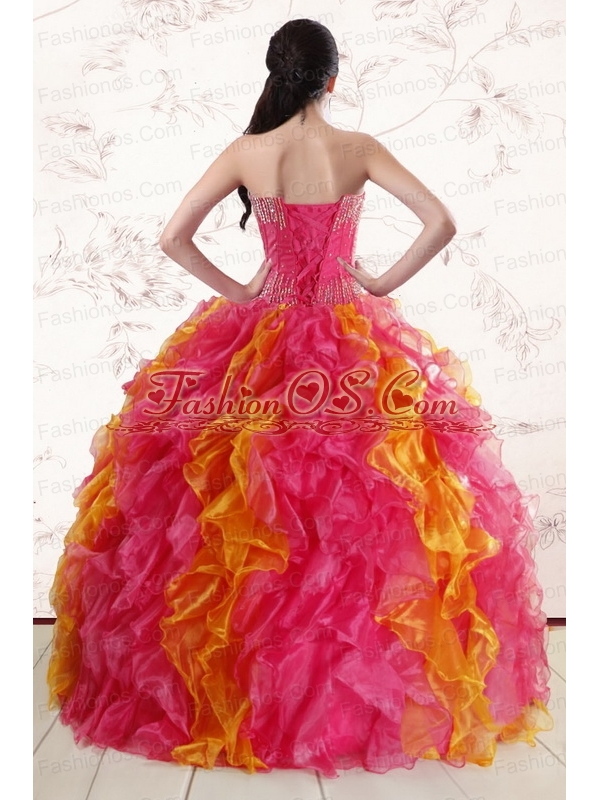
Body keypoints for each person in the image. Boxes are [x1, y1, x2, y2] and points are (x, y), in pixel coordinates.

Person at [47, 18, 553, 778]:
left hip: (261, 342)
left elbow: (174, 236)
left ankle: (246, 688)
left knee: (239, 508)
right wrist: (377, 282)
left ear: (275, 74)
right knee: (367, 508)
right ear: (333, 77)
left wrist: (241, 292)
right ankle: (347, 700)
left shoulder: (249, 152)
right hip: (352, 345)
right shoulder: (359, 149)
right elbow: (441, 221)